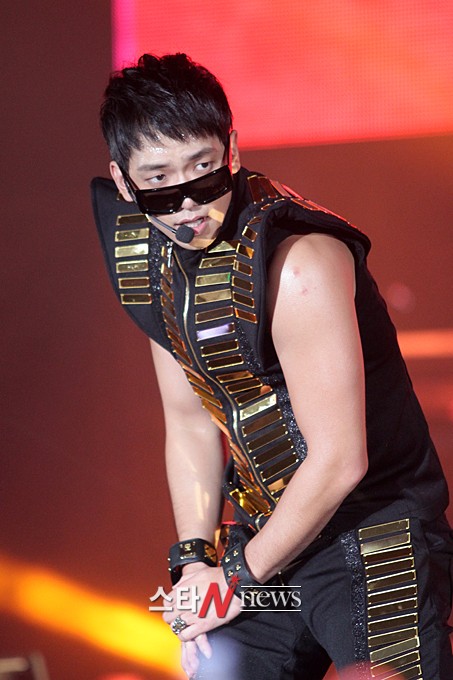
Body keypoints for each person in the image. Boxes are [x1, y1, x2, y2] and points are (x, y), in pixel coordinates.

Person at [91, 53, 453, 679]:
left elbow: (340, 459)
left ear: (231, 150)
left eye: (203, 170)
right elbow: (190, 422)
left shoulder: (298, 261)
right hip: (267, 536)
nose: (187, 203)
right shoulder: (155, 260)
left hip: (372, 532)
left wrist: (234, 580)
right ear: (124, 182)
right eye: (160, 181)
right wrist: (195, 565)